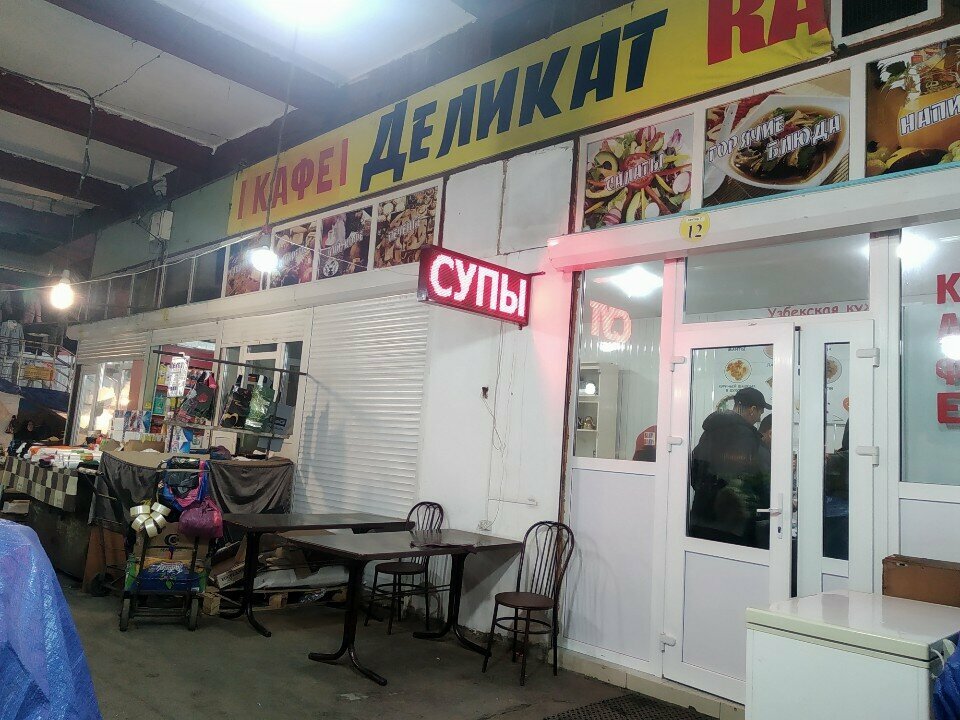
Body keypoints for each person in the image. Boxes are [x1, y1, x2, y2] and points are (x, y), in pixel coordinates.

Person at [689, 387, 772, 548]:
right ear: (752, 410)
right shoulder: (749, 438)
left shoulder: (709, 432)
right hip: (735, 526)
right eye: (760, 413)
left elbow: (695, 471)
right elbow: (761, 480)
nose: (759, 419)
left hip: (702, 519)